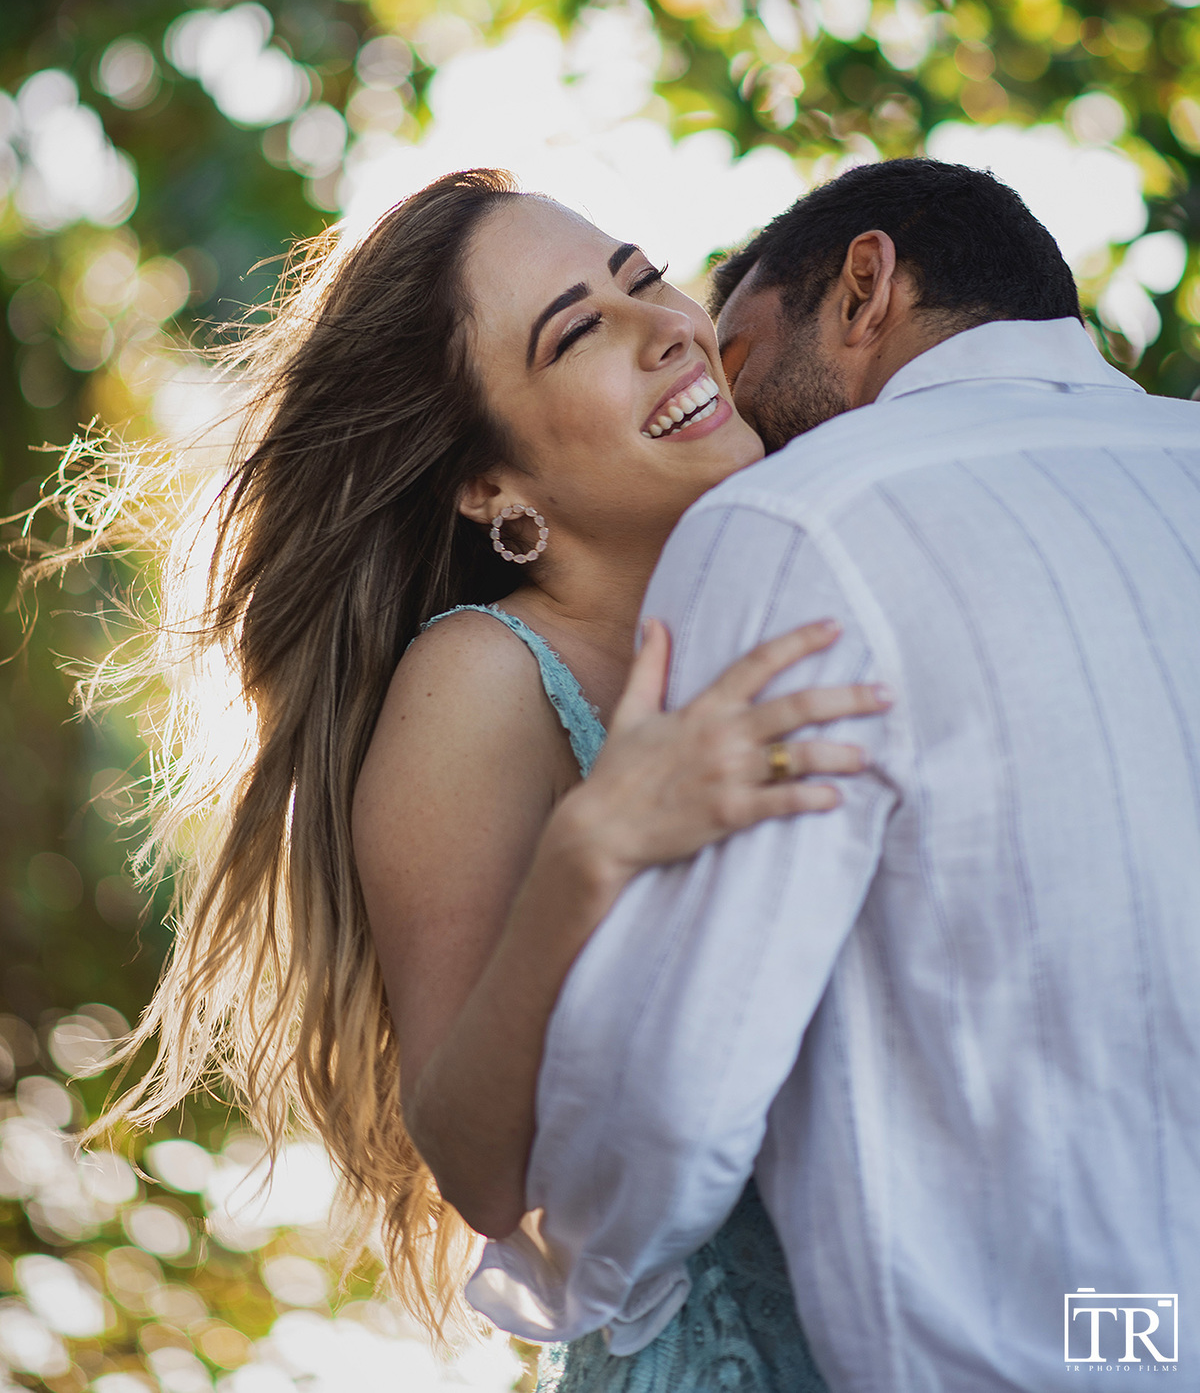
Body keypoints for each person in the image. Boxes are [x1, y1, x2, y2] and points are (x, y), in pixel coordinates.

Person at [39, 168, 890, 1391]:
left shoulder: (802, 586)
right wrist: (591, 855)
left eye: (644, 278)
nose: (663, 328)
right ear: (491, 486)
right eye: (579, 332)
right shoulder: (482, 681)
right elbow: (480, 1166)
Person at [469, 159, 1200, 1390]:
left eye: (737, 348)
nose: (718, 383)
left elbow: (676, 1100)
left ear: (864, 287)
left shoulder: (801, 525)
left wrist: (595, 1282)